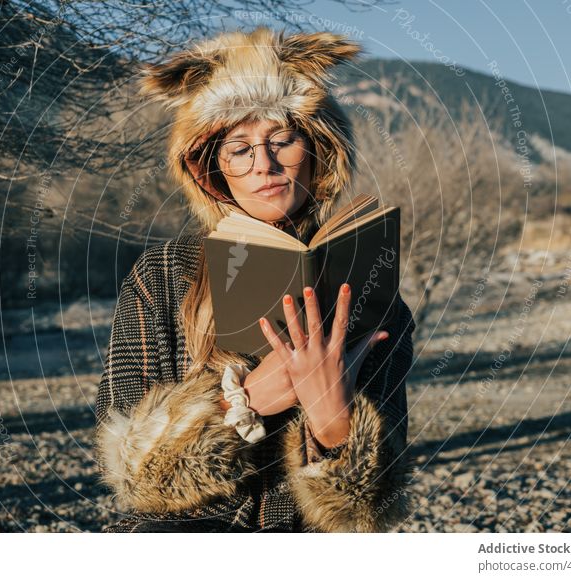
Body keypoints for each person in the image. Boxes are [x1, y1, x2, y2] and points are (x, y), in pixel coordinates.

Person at [93, 26, 416, 533]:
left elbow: (370, 512)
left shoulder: (373, 288)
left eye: (281, 140)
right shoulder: (161, 277)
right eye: (239, 149)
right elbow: (133, 475)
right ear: (212, 170)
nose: (264, 165)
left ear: (317, 150)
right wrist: (246, 399)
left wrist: (332, 414)